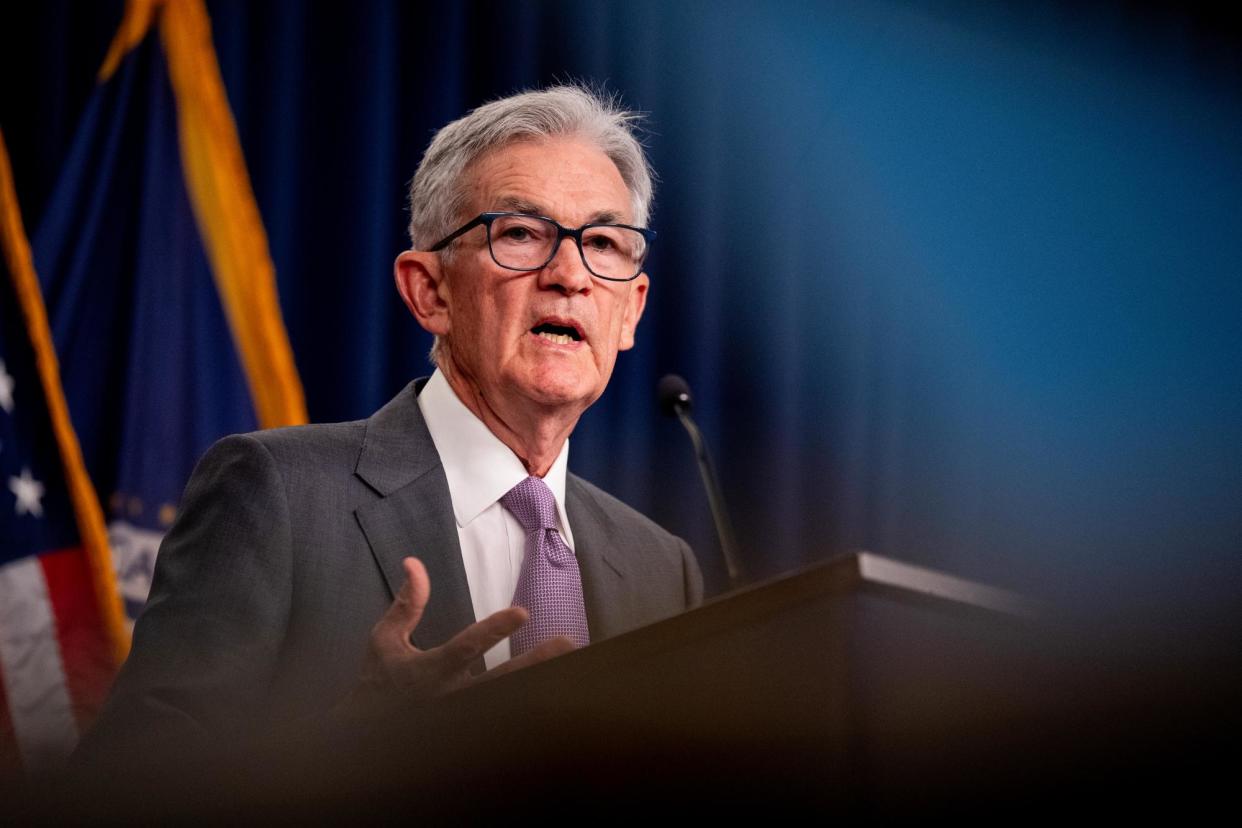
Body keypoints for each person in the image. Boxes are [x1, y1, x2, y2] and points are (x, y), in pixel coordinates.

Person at [75, 84, 703, 765]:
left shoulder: (660, 568)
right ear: (428, 290)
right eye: (522, 233)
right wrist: (361, 738)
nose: (569, 274)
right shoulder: (277, 495)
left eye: (604, 242)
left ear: (632, 310)